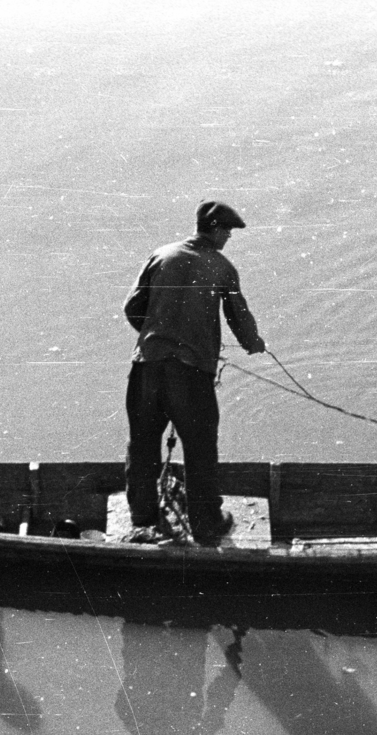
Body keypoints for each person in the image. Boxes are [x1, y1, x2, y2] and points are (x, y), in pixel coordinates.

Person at [121, 200, 267, 545]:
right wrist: (253, 343)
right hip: (189, 375)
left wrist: (159, 338)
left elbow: (132, 308)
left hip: (146, 367)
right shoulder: (222, 267)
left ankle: (143, 520)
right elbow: (237, 316)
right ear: (215, 229)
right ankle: (205, 524)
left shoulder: (161, 255)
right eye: (228, 231)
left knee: (142, 445)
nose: (229, 236)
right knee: (200, 447)